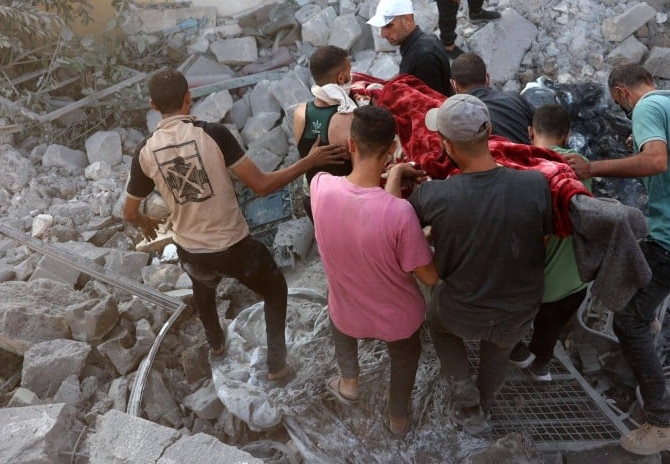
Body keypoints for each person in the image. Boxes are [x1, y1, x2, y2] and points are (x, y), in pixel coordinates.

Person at [123, 69, 348, 382]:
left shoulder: (144, 153)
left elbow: (130, 213)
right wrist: (310, 161)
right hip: (233, 247)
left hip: (191, 251)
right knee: (275, 289)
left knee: (203, 288)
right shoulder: (213, 134)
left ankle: (215, 343)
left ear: (153, 104)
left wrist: (147, 222)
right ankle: (277, 365)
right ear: (189, 97)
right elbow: (262, 186)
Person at [565, 64, 670, 456]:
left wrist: (592, 168)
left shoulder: (647, 108)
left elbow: (654, 162)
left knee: (628, 320)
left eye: (619, 102)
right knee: (642, 275)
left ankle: (664, 421)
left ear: (621, 94)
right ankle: (647, 315)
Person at [389, 94, 551, 433]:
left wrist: (396, 177)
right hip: (518, 306)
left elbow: (388, 222)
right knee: (498, 352)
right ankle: (486, 404)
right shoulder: (535, 184)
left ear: (445, 145)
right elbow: (543, 236)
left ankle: (467, 405)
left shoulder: (435, 196)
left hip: (461, 309)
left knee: (440, 326)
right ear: (489, 130)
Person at [311, 106, 438, 437]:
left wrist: (392, 177)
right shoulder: (400, 214)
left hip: (347, 312)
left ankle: (349, 383)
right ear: (392, 148)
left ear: (352, 145)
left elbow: (368, 213)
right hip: (398, 321)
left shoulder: (320, 186)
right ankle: (398, 419)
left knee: (338, 317)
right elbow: (429, 277)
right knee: (405, 358)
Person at [509, 104, 590, 381]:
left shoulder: (522, 168)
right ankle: (541, 368)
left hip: (536, 283)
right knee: (549, 330)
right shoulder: (580, 165)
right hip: (576, 279)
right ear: (567, 136)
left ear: (530, 132)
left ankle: (514, 351)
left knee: (508, 319)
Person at [292, 45, 355, 214]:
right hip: (344, 207)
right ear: (341, 78)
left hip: (314, 200)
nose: (352, 77)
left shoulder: (300, 112)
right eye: (349, 72)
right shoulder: (348, 120)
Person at [367, 0, 454, 97]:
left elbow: (429, 105)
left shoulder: (424, 56)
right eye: (381, 27)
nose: (383, 34)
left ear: (407, 20)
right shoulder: (422, 45)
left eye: (389, 26)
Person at [449, 52, 534, 145]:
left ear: (454, 84)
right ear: (488, 78)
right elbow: (544, 127)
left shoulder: (456, 117)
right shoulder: (515, 98)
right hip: (530, 157)